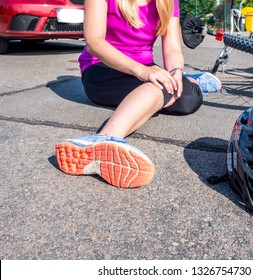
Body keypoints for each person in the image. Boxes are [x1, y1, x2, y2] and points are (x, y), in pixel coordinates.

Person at [55, 0, 221, 188]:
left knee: (189, 96)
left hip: (145, 69)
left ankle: (187, 80)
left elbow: (172, 48)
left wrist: (176, 71)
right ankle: (104, 138)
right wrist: (143, 72)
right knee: (164, 87)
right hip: (102, 68)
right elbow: (95, 43)